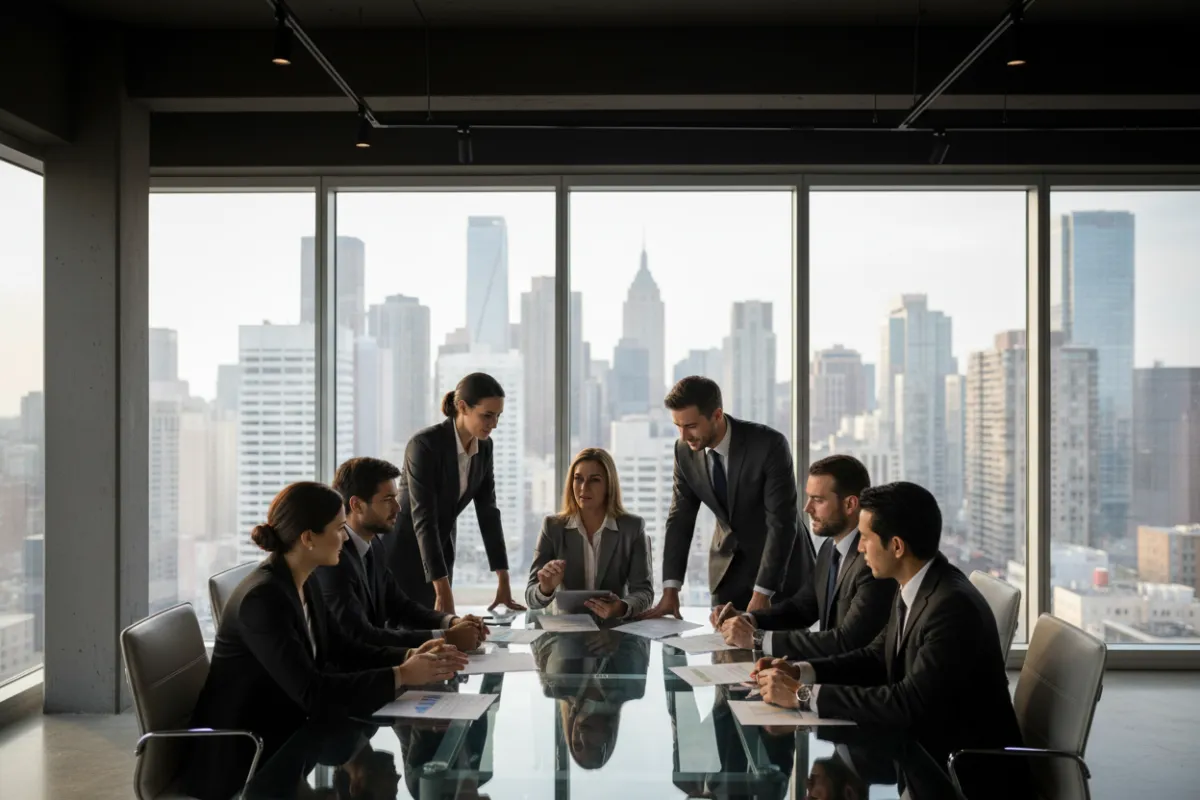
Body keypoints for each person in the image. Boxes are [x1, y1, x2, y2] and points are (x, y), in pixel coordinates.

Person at [184, 482, 467, 800]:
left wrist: (410, 655)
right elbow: (312, 693)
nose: (346, 537)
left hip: (285, 735)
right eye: (339, 528)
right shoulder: (263, 599)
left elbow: (343, 649)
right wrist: (401, 675)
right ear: (308, 538)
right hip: (245, 757)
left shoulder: (303, 579)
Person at [754, 481, 1025, 800]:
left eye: (866, 538)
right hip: (924, 761)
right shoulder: (916, 584)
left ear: (896, 546)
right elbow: (874, 657)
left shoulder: (951, 607)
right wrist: (801, 672)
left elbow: (907, 704)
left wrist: (803, 696)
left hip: (965, 778)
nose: (858, 548)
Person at [642, 376, 815, 618]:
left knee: (776, 651)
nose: (683, 436)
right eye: (678, 426)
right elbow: (680, 518)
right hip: (727, 572)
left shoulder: (768, 445)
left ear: (716, 415)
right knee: (723, 650)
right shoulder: (684, 451)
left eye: (691, 426)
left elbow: (781, 522)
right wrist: (671, 589)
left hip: (779, 573)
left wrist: (763, 593)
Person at [715, 455, 894, 658]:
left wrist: (757, 639)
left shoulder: (874, 561)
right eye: (809, 498)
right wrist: (749, 619)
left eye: (818, 500)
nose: (807, 508)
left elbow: (848, 641)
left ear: (850, 505)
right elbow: (802, 608)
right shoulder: (829, 548)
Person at [385, 372, 525, 614]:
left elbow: (488, 511)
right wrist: (443, 590)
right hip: (405, 551)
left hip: (441, 551)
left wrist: (503, 579)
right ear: (462, 407)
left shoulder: (484, 447)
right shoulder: (424, 445)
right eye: (487, 415)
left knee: (439, 635)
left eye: (498, 416)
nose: (494, 424)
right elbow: (424, 519)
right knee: (410, 633)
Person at [317, 457, 489, 652]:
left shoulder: (374, 545)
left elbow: (400, 606)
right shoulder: (333, 560)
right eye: (388, 499)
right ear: (356, 505)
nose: (398, 508)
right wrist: (447, 638)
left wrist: (452, 622)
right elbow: (361, 635)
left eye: (396, 498)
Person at [525, 448, 654, 619]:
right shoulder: (553, 527)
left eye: (594, 480)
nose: (584, 488)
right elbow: (531, 597)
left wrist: (621, 607)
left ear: (609, 485)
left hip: (614, 632)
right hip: (567, 632)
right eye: (578, 479)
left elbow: (644, 592)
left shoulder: (632, 528)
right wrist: (545, 589)